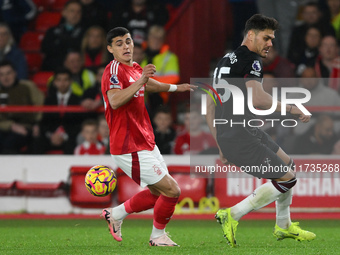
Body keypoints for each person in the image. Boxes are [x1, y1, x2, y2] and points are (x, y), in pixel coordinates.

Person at [206, 14, 315, 247]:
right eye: (266, 38)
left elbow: (209, 107)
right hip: (238, 135)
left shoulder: (225, 61)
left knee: (288, 165)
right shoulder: (252, 61)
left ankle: (283, 225)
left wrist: (219, 143)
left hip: (236, 132)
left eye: (272, 39)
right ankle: (232, 214)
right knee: (288, 179)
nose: (270, 44)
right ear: (251, 35)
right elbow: (259, 99)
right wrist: (291, 109)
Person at [100, 27, 194, 246]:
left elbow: (150, 83)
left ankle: (115, 214)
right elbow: (114, 101)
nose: (125, 46)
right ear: (110, 49)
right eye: (119, 43)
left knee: (157, 192)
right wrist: (141, 80)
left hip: (144, 141)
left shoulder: (133, 68)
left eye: (128, 41)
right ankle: (157, 236)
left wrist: (176, 88)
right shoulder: (112, 70)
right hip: (127, 145)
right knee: (172, 190)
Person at [36, 68, 83, 154]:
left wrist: (64, 136)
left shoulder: (77, 100)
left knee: (72, 145)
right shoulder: (48, 100)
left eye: (65, 80)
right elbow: (44, 121)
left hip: (69, 137)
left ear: (71, 81)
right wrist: (51, 135)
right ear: (54, 82)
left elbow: (78, 124)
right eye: (59, 80)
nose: (62, 83)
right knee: (37, 143)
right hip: (51, 136)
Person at [0, 60, 42, 154]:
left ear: (15, 73)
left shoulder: (27, 86)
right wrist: (11, 125)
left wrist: (37, 124)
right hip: (4, 128)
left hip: (26, 127)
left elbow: (41, 105)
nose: (5, 78)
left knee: (10, 143)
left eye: (8, 73)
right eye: (1, 75)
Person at [141, 25, 180, 107]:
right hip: (141, 100)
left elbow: (174, 78)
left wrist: (150, 82)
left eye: (159, 38)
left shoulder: (169, 57)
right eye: (153, 37)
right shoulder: (140, 54)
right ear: (148, 38)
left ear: (163, 40)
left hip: (160, 100)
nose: (156, 41)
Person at [41, 0, 85, 71]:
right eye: (72, 11)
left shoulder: (86, 32)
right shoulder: (52, 31)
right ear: (64, 12)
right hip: (54, 69)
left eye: (78, 12)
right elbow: (45, 49)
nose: (75, 14)